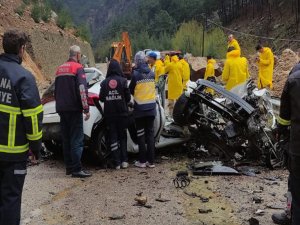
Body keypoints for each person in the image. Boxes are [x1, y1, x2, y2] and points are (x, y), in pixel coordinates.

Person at [0, 29, 43, 225]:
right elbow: (33, 117)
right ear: (22, 49)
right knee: (10, 199)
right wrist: (35, 148)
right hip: (13, 154)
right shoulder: (24, 77)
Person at [54, 45, 92, 178]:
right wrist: (86, 108)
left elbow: (55, 90)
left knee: (66, 139)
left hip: (62, 109)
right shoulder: (78, 68)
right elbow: (82, 89)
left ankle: (69, 168)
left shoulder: (59, 69)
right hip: (74, 109)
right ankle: (77, 169)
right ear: (77, 55)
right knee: (77, 139)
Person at [277, 62, 300, 225]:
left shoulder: (294, 78)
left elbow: (284, 117)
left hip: (298, 144)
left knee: (295, 182)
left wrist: (282, 134)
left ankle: (292, 216)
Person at [99, 59, 131, 169]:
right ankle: (124, 161)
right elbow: (128, 98)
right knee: (122, 137)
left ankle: (116, 163)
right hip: (122, 113)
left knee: (113, 137)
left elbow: (101, 98)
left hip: (110, 114)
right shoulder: (123, 81)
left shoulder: (104, 82)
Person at [129, 51, 156, 168]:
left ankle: (142, 161)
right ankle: (151, 162)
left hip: (140, 110)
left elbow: (130, 90)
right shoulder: (152, 73)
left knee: (141, 135)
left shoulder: (135, 75)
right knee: (150, 135)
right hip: (151, 109)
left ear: (137, 61)